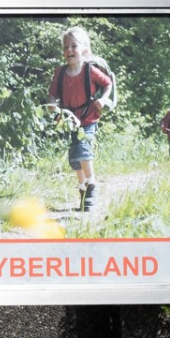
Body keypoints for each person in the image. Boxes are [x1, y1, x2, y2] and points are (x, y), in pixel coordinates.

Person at [49, 26, 114, 211]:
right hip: (69, 120)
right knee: (75, 159)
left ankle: (91, 184)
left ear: (84, 50)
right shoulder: (60, 73)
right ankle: (83, 190)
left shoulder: (89, 71)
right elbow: (52, 94)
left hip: (88, 117)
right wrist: (52, 105)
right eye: (65, 47)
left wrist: (102, 99)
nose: (69, 50)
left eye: (74, 46)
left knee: (83, 149)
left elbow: (107, 83)